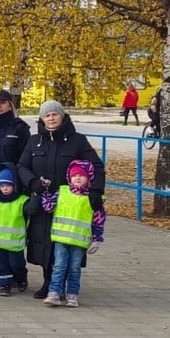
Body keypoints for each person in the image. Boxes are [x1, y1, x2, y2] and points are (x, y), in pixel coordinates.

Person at [17, 99, 105, 298]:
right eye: (47, 115)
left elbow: (97, 167)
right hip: (44, 201)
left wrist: (96, 191)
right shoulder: (34, 141)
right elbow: (21, 166)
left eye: (55, 114)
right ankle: (49, 282)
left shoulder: (78, 141)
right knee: (44, 241)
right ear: (42, 119)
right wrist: (33, 183)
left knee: (67, 242)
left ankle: (62, 284)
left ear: (62, 116)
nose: (51, 118)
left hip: (71, 202)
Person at [41, 160, 105, 308]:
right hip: (61, 239)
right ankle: (54, 293)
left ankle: (72, 295)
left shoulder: (92, 198)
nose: (77, 178)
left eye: (81, 175)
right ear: (69, 177)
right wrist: (44, 192)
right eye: (74, 175)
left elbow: (98, 220)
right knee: (58, 266)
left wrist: (97, 239)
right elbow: (48, 207)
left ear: (88, 178)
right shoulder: (62, 192)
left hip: (79, 241)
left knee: (75, 268)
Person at [0, 165, 31, 296]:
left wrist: (36, 196)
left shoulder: (22, 201)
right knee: (0, 264)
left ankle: (21, 279)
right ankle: (5, 285)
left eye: (8, 185)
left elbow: (31, 210)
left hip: (14, 242)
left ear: (15, 185)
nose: (5, 188)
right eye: (2, 185)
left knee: (17, 264)